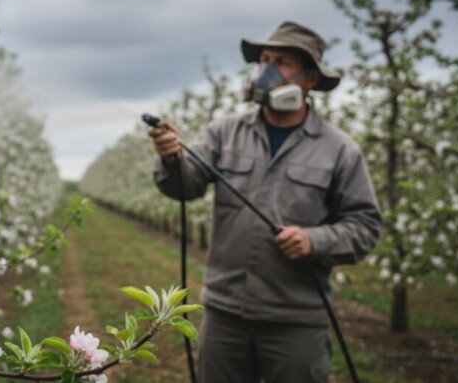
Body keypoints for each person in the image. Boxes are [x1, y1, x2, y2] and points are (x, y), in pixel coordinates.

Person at [149, 21, 381, 383]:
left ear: (311, 79)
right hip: (226, 314)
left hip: (295, 319)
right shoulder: (224, 132)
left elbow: (365, 227)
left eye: (282, 62)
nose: (267, 71)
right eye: (263, 61)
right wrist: (170, 158)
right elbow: (186, 186)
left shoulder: (339, 150)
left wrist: (313, 240)